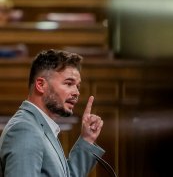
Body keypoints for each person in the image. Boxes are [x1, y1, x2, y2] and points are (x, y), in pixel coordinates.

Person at [0, 49, 105, 177]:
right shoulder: (25, 130)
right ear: (40, 85)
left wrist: (87, 139)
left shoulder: (39, 125)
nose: (76, 92)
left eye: (77, 86)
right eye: (69, 83)